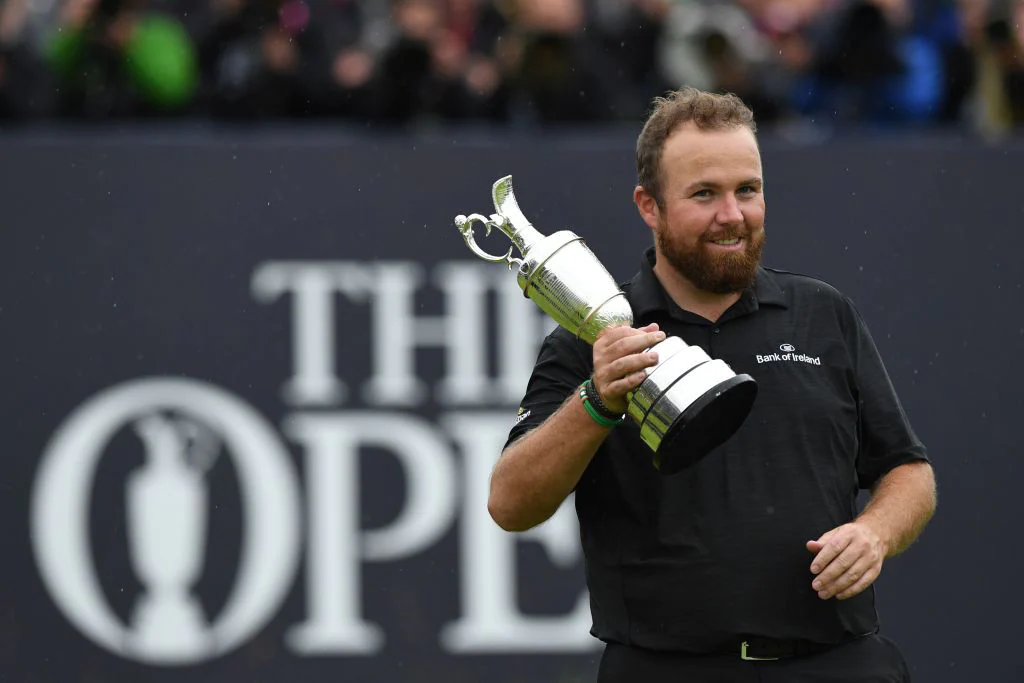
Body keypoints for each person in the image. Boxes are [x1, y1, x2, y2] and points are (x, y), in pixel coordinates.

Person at [491, 87, 937, 682]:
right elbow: (511, 504)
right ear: (649, 206)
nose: (733, 215)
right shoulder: (592, 344)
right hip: (666, 669)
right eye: (704, 194)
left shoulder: (821, 313)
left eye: (747, 190)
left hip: (837, 663)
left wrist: (874, 533)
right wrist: (596, 402)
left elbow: (909, 471)